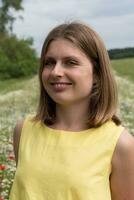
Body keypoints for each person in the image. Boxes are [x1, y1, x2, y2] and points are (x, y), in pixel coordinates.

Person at [9, 22, 134, 200]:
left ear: (97, 74)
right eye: (49, 62)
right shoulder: (24, 130)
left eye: (71, 62)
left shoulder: (120, 144)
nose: (56, 71)